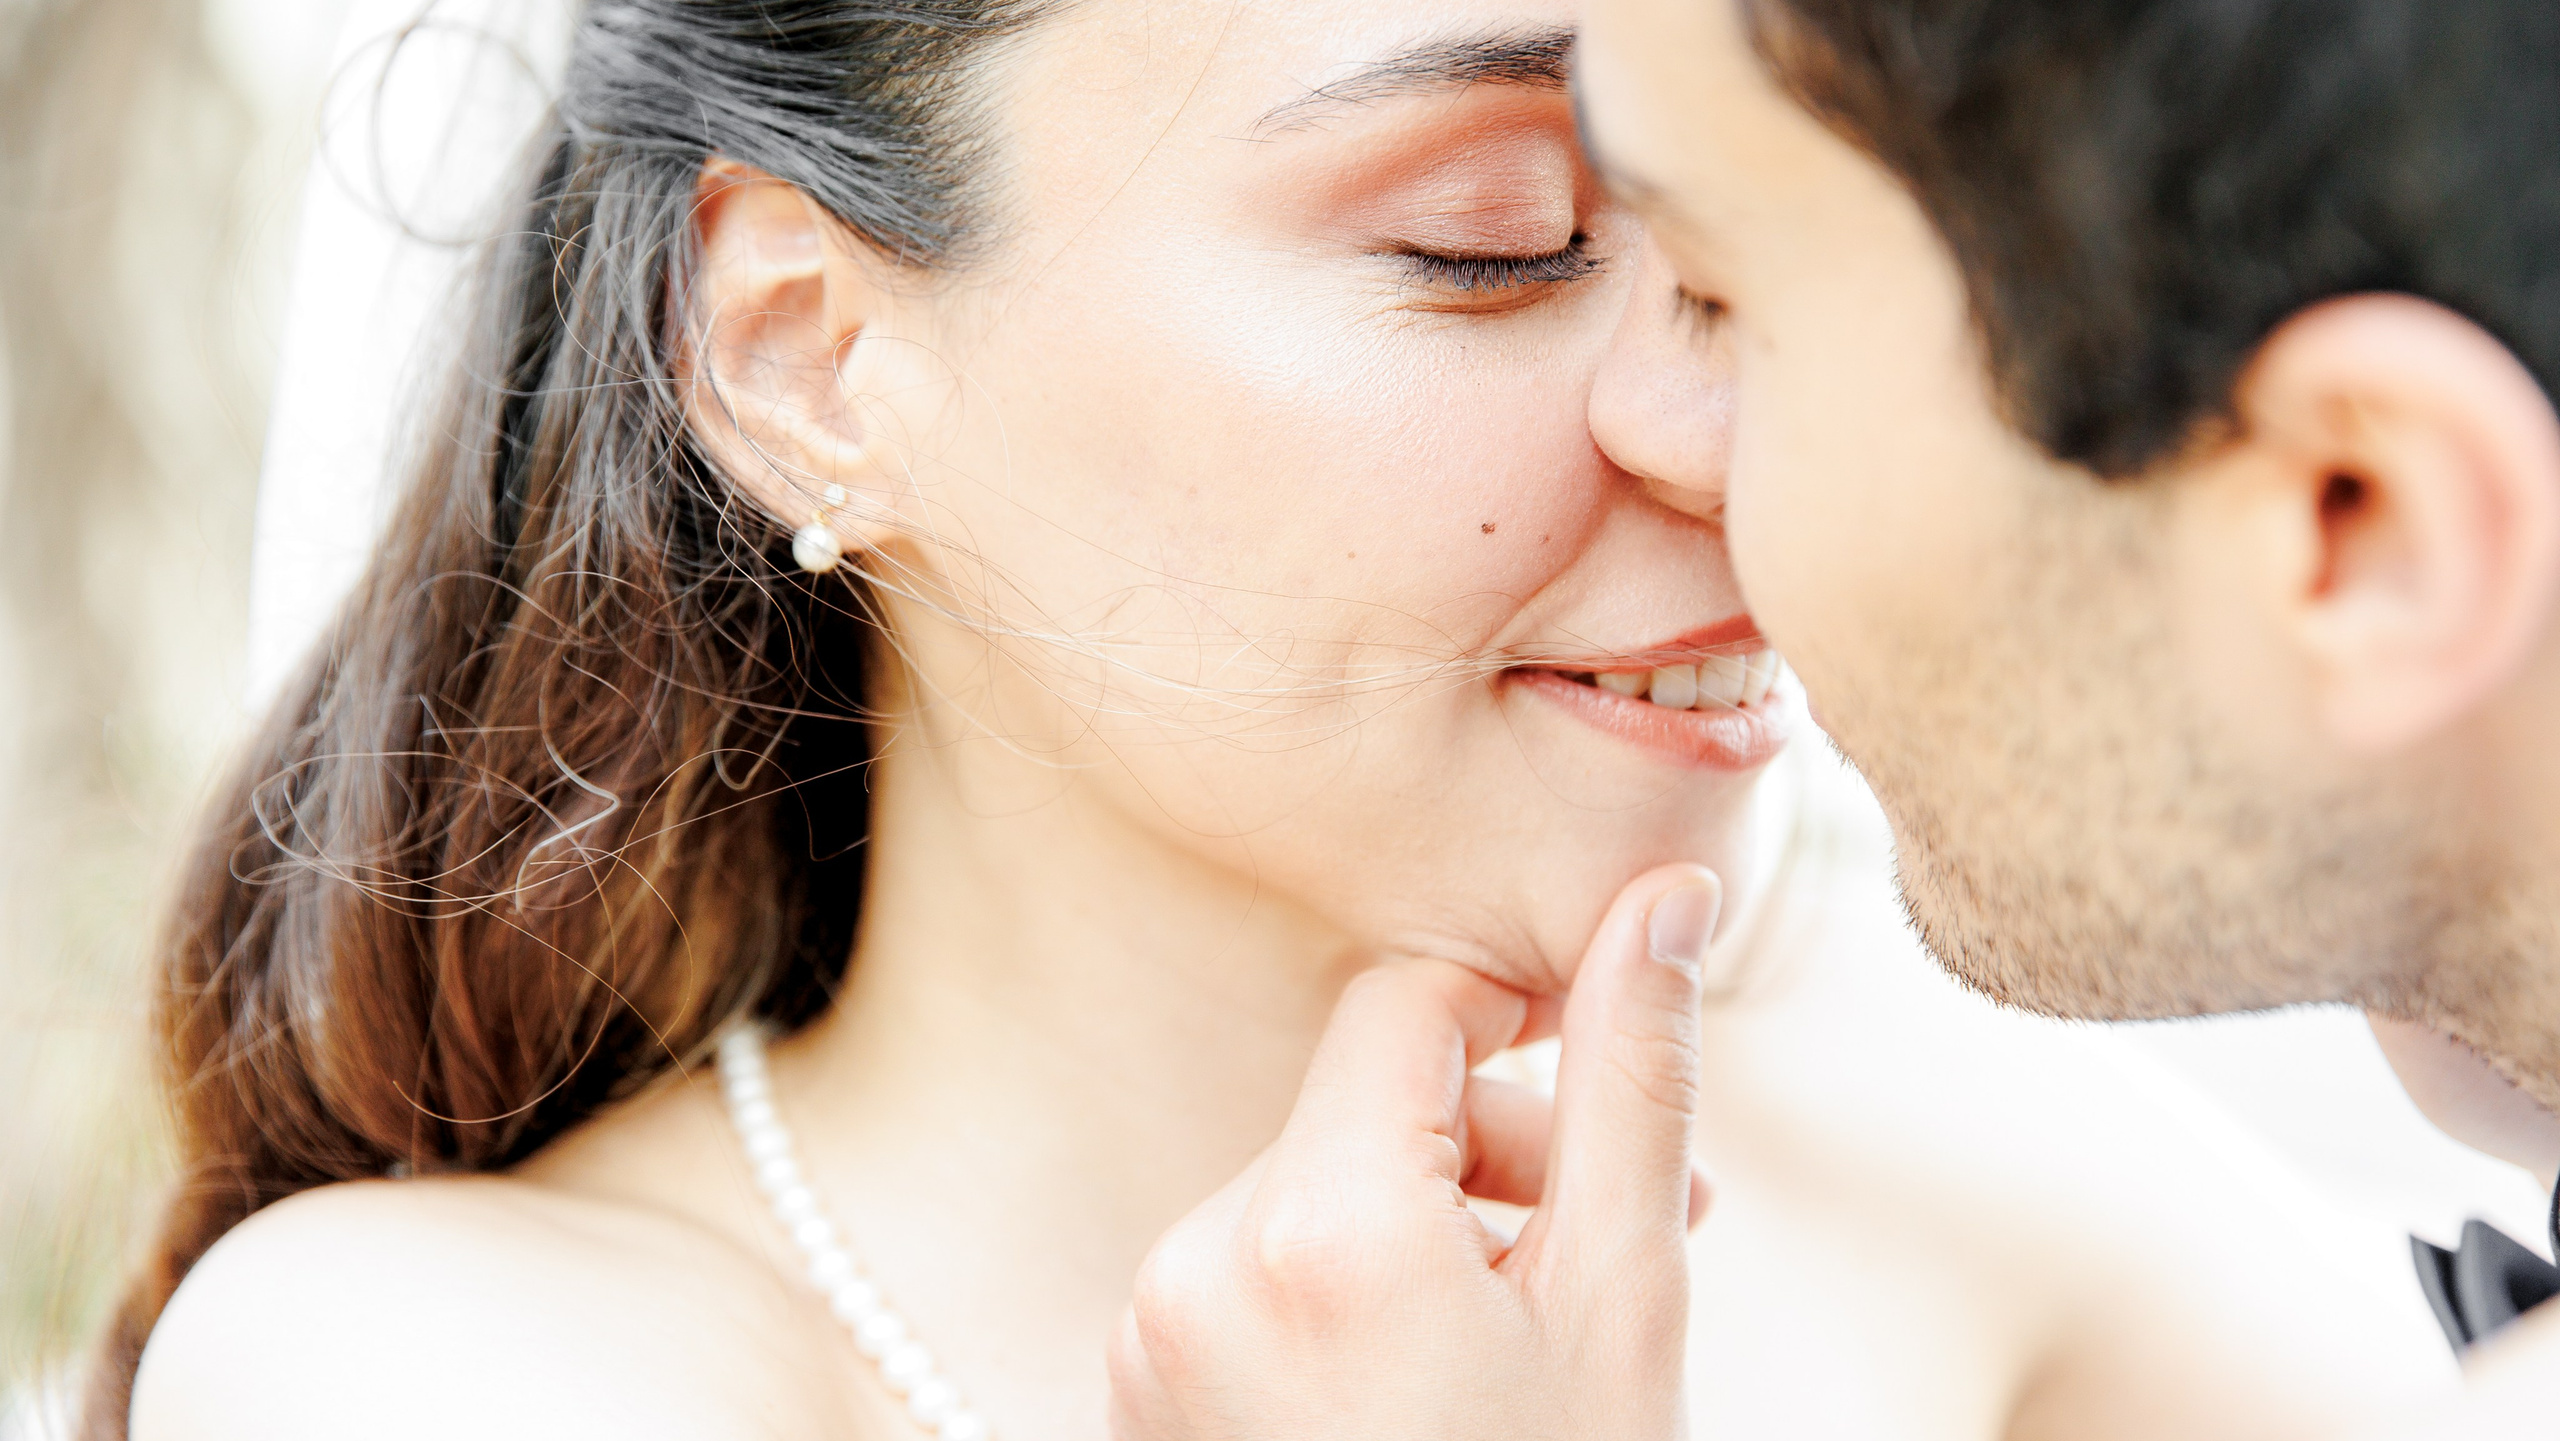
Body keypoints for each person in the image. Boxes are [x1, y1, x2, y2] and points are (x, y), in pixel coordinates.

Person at [91, 1, 2443, 1439]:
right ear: (814, 355)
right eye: (1496, 238)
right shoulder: (440, 1380)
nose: (1730, 427)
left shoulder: (1947, 1141)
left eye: (1758, 254)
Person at [1103, 1, 2560, 1438]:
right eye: (1505, 235)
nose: (1663, 426)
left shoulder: (2030, 1195)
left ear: (2359, 520)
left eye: (1737, 298)